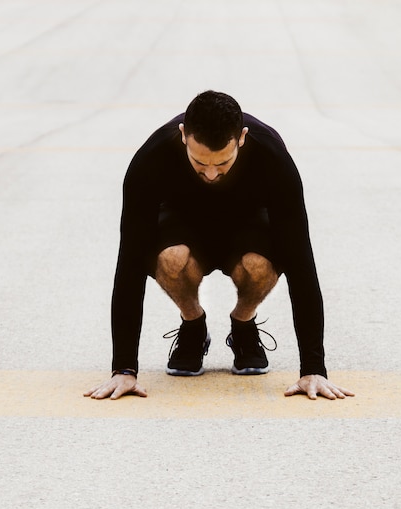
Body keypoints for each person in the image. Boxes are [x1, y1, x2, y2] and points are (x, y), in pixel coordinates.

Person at [85, 91, 353, 401]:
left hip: (247, 227)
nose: (211, 174)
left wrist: (313, 368)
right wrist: (124, 369)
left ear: (242, 138)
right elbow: (129, 262)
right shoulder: (151, 158)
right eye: (200, 162)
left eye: (222, 163)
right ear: (183, 135)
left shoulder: (273, 157)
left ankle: (243, 324)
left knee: (259, 264)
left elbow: (301, 261)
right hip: (183, 226)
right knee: (172, 258)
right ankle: (193, 326)